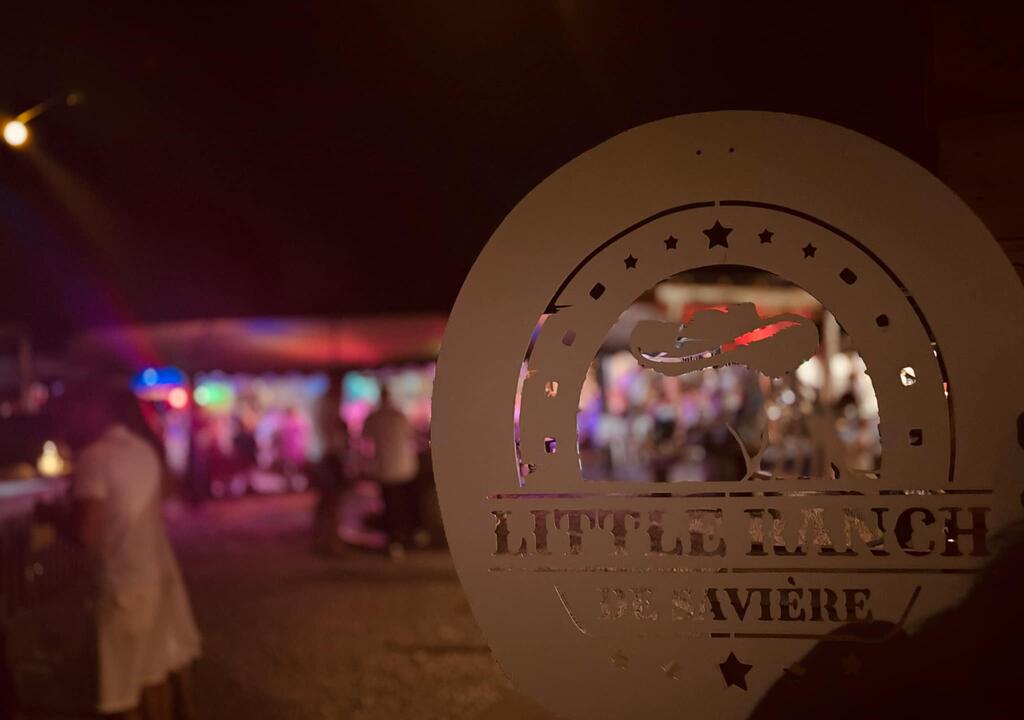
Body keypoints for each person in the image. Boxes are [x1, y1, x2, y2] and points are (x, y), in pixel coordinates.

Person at [62, 381, 201, 719]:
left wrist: (53, 517)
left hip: (120, 583)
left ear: (96, 410)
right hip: (154, 575)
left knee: (119, 693)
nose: (68, 418)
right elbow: (166, 498)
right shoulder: (145, 450)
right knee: (153, 679)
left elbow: (84, 532)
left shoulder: (95, 457)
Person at [361, 386, 419, 558]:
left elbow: (365, 439)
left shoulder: (374, 418)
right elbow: (411, 435)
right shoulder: (399, 416)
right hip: (403, 469)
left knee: (390, 505)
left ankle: (394, 540)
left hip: (385, 469)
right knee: (403, 505)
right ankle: (404, 538)